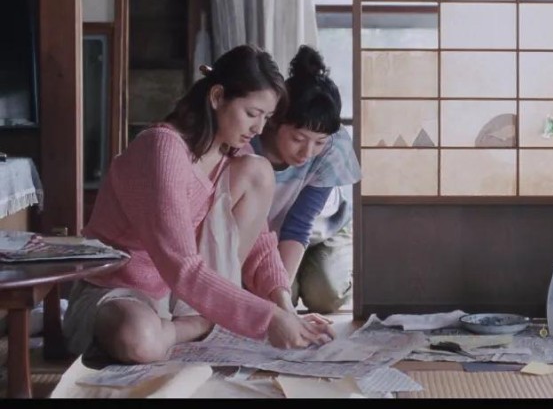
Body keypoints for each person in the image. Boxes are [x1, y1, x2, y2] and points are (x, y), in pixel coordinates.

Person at [62, 45, 335, 365]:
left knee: (258, 171)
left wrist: (285, 309)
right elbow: (182, 268)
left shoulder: (236, 151)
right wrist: (267, 319)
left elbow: (260, 243)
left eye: (266, 118)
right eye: (252, 114)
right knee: (140, 340)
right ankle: (201, 324)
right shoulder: (162, 148)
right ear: (217, 97)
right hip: (118, 291)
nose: (259, 129)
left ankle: (198, 321)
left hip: (177, 297)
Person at [250, 45, 361, 314]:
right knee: (270, 297)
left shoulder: (334, 147)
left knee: (325, 296)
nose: (308, 152)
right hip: (262, 235)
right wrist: (280, 298)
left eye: (319, 142)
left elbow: (300, 224)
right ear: (275, 121)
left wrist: (281, 306)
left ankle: (310, 269)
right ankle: (295, 278)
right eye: (298, 139)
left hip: (321, 232)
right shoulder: (248, 142)